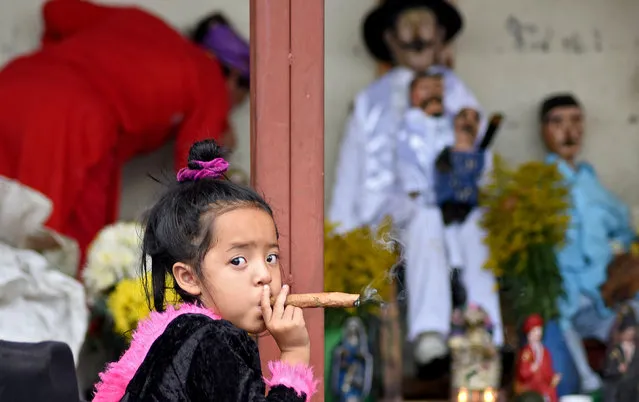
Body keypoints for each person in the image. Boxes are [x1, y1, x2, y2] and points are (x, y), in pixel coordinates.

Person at [0, 1, 249, 272]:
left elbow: (56, 10)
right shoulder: (209, 77)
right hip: (69, 120)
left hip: (13, 86)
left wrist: (67, 61)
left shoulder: (140, 21)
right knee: (55, 250)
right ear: (234, 76)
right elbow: (198, 178)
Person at [328, 0, 493, 368]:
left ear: (440, 36)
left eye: (425, 25)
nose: (418, 36)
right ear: (390, 38)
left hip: (453, 207)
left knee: (474, 228)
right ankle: (429, 336)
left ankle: (488, 334)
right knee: (424, 216)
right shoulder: (370, 101)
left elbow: (483, 161)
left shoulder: (457, 93)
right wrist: (339, 237)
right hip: (388, 215)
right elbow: (349, 172)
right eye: (408, 26)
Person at [93, 140, 318, 402]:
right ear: (189, 277)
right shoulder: (212, 340)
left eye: (271, 257)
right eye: (238, 261)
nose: (265, 275)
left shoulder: (182, 335)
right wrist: (294, 352)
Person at [539, 94, 636, 393]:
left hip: (604, 295)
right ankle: (589, 383)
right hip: (562, 298)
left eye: (575, 121)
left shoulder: (594, 187)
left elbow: (625, 232)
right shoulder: (537, 188)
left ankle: (617, 385)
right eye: (558, 122)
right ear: (544, 130)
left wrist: (621, 259)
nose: (568, 131)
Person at [516, 314, 561, 402]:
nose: (538, 333)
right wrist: (532, 369)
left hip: (544, 386)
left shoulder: (545, 352)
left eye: (539, 330)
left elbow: (548, 370)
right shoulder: (527, 352)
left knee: (551, 393)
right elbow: (523, 372)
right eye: (535, 330)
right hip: (531, 387)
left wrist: (553, 378)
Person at [603, 304, 639, 402]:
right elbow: (608, 370)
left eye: (632, 331)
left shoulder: (636, 349)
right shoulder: (616, 350)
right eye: (627, 331)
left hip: (633, 391)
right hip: (617, 390)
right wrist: (617, 370)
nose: (630, 334)